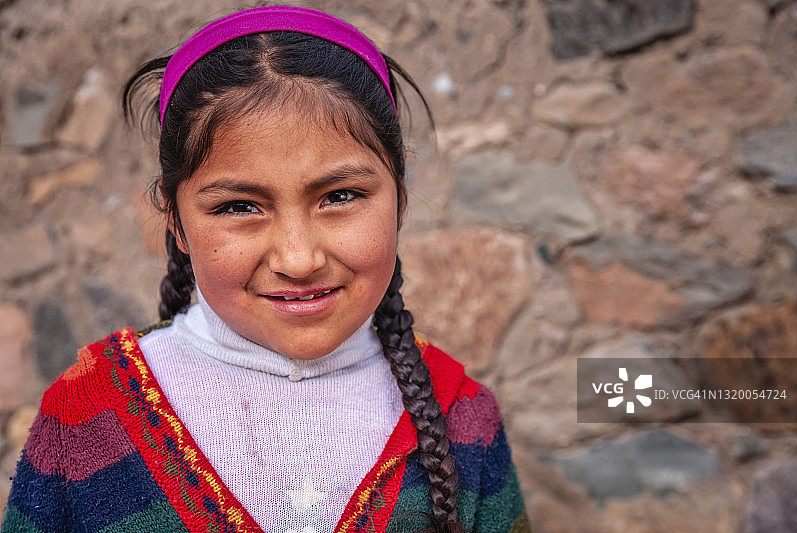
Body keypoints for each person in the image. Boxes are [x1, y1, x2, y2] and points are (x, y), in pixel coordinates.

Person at [1, 5, 530, 533]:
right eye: (238, 207)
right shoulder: (86, 418)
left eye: (341, 196)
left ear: (400, 200)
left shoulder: (464, 420)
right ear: (177, 222)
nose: (298, 260)